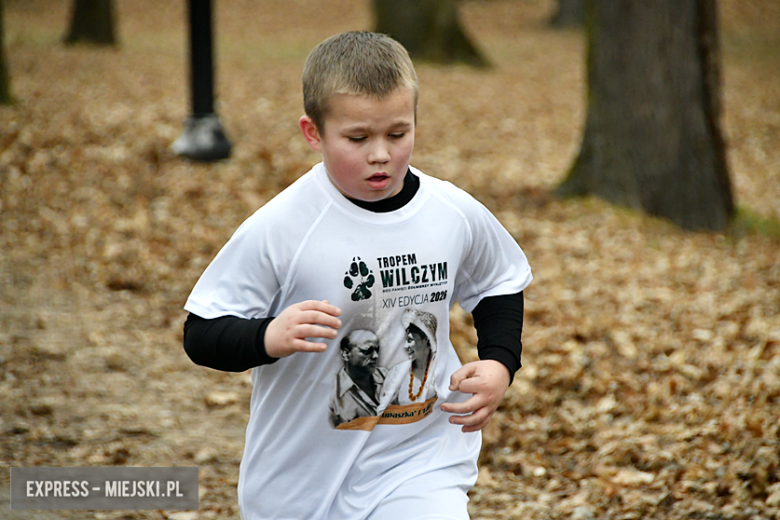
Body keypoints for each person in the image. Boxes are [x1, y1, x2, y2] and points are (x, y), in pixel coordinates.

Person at [182, 31, 532, 520]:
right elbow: (200, 332)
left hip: (418, 459)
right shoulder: (283, 227)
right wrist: (266, 336)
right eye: (358, 138)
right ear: (313, 133)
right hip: (299, 479)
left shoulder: (451, 213)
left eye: (398, 134)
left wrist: (499, 362)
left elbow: (498, 282)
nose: (380, 154)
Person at [330, 329, 388, 427]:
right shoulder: (332, 394)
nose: (375, 356)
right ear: (345, 354)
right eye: (367, 351)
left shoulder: (389, 376)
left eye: (377, 350)